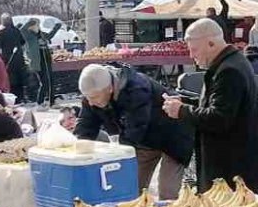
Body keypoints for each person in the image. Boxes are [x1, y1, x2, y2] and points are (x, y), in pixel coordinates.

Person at [162, 18, 258, 193]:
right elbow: (220, 104)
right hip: (233, 168)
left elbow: (219, 118)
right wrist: (185, 102)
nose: (192, 56)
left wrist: (182, 111)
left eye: (194, 50)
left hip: (233, 171)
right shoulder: (230, 63)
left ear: (211, 43)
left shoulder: (229, 70)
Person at [77, 63, 194, 199]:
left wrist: (116, 154)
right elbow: (86, 125)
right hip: (144, 141)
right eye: (88, 98)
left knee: (167, 191)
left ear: (110, 89)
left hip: (173, 135)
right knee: (132, 188)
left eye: (95, 98)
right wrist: (79, 146)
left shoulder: (137, 88)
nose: (91, 103)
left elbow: (135, 129)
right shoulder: (93, 93)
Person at [21, 17, 61, 105]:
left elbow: (50, 35)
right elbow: (22, 30)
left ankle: (52, 101)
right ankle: (40, 102)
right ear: (31, 26)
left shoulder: (41, 34)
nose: (38, 27)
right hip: (38, 60)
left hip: (46, 56)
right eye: (36, 25)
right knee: (44, 82)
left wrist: (56, 27)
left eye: (38, 25)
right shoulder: (29, 35)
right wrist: (31, 22)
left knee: (50, 79)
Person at [0, 13, 27, 100]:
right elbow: (23, 42)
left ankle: (14, 98)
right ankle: (21, 97)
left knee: (11, 80)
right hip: (19, 57)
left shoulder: (1, 32)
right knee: (20, 78)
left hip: (8, 58)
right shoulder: (17, 30)